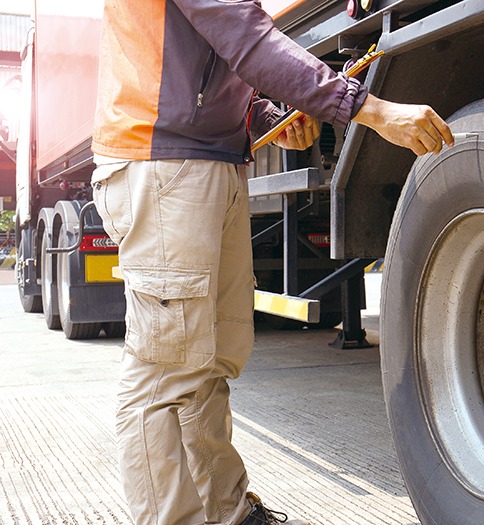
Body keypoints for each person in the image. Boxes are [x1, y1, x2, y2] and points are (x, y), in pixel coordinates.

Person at [89, 1, 453, 524]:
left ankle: (226, 513)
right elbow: (245, 39)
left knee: (206, 361)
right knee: (164, 371)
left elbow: (215, 63)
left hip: (203, 164)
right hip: (163, 166)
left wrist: (266, 118)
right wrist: (368, 109)